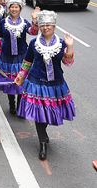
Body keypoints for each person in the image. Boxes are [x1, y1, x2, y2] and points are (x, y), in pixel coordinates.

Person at [15, 10, 75, 161]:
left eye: (49, 25)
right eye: (43, 25)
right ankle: (42, 142)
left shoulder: (61, 43)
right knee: (39, 114)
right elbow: (27, 61)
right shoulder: (34, 43)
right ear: (40, 27)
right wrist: (20, 77)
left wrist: (70, 47)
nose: (46, 28)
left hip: (56, 84)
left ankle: (44, 133)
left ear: (54, 26)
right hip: (36, 83)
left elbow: (67, 63)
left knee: (49, 113)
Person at [0, 0, 39, 115]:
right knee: (11, 82)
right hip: (7, 57)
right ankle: (12, 104)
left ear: (20, 9)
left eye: (16, 7)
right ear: (8, 8)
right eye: (12, 7)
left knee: (21, 82)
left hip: (22, 57)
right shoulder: (3, 23)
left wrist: (35, 21)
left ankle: (20, 107)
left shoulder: (24, 23)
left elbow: (33, 31)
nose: (14, 9)